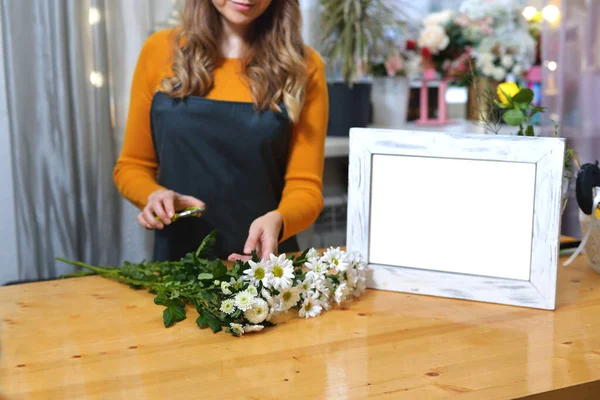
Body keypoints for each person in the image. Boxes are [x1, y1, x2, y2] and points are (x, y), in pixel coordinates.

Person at [113, 0, 328, 262]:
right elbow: (132, 166)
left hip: (262, 267)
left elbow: (305, 187)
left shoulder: (304, 67)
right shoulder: (159, 51)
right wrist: (153, 195)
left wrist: (278, 221)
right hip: (177, 266)